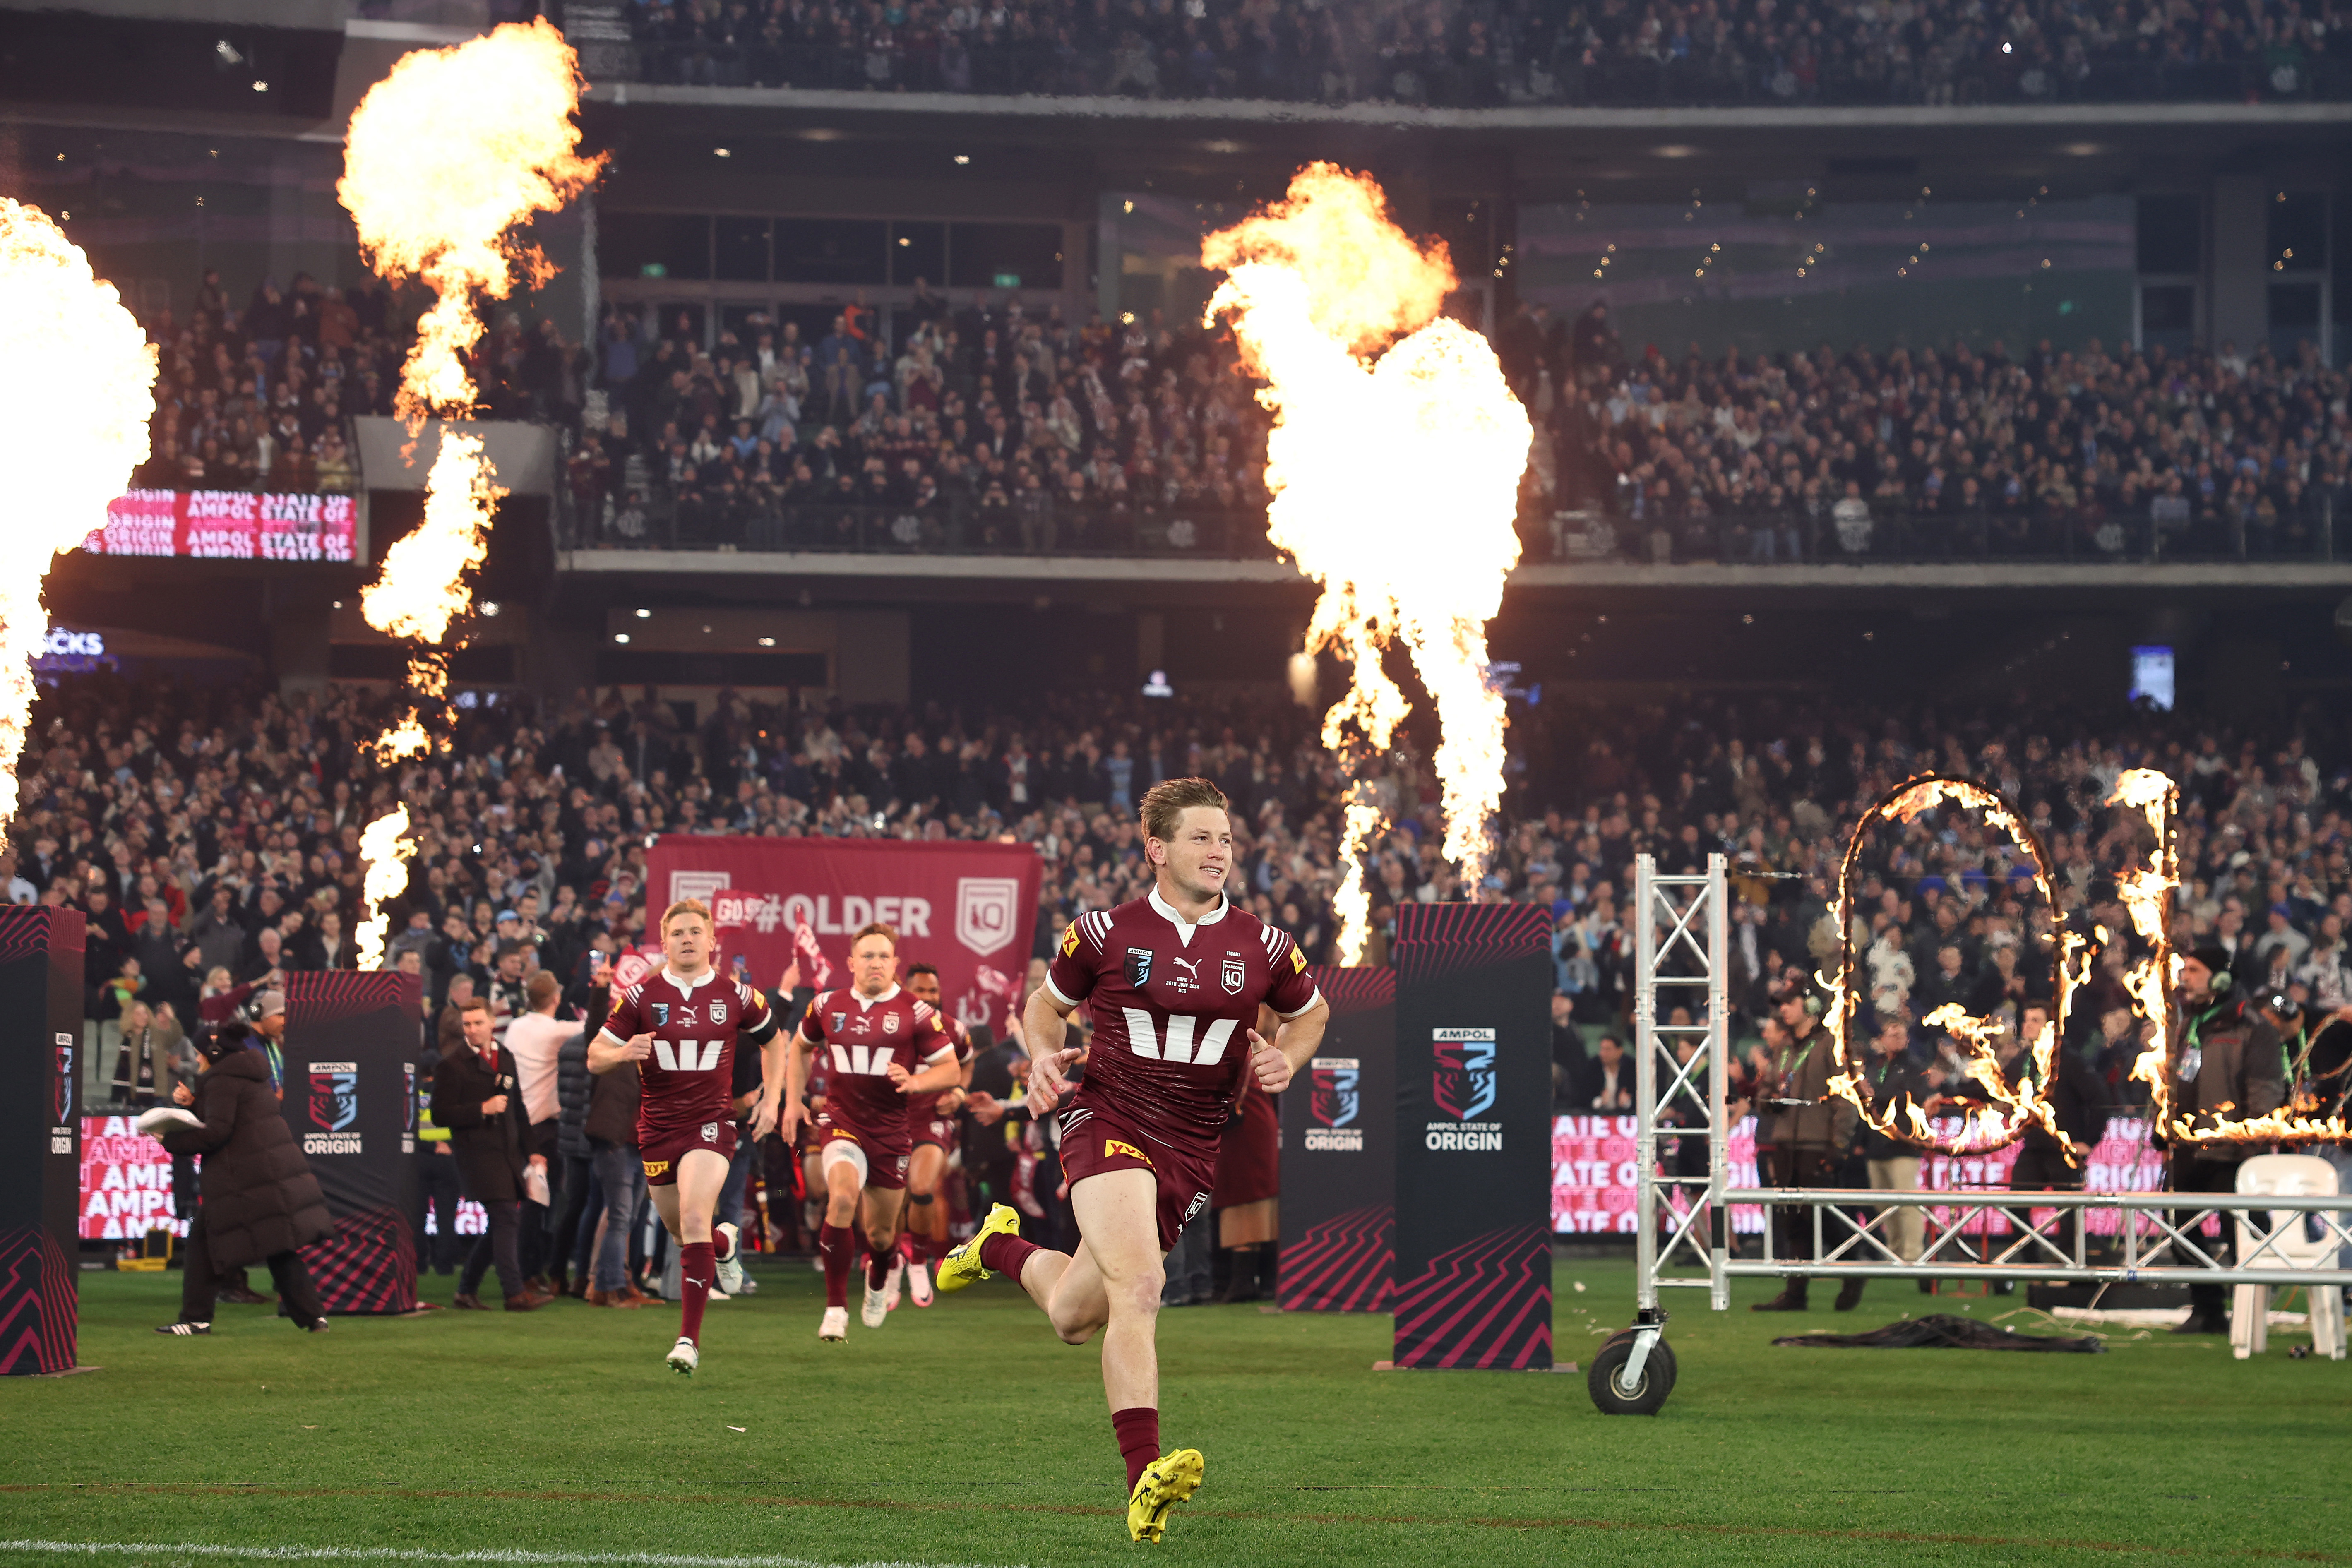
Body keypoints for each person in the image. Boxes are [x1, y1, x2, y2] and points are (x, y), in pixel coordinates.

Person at [934, 776, 1329, 1545]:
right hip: (1107, 1116)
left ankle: (997, 1245)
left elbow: (1311, 1012)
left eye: (1225, 838)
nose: (1219, 850)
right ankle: (1142, 1474)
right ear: (1157, 849)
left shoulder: (1265, 943)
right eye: (1201, 837)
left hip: (1193, 1142)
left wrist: (1290, 1058)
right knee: (1141, 1288)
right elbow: (1042, 1007)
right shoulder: (1103, 932)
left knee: (1076, 1313)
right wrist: (1044, 1059)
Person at [595, 899, 783, 1375]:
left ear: (711, 940)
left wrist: (773, 1098)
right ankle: (724, 1244)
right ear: (665, 943)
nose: (686, 939)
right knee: (685, 1236)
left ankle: (688, 1341)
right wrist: (624, 1053)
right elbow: (596, 1054)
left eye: (695, 931)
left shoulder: (737, 995)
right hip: (657, 1128)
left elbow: (774, 1040)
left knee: (695, 1218)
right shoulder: (640, 998)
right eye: (677, 932)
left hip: (712, 1124)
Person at [775, 924, 963, 1338]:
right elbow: (800, 1048)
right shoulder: (826, 1005)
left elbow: (950, 1069)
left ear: (894, 964)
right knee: (841, 1199)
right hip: (842, 1124)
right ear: (851, 963)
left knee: (880, 1237)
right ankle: (836, 1309)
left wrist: (916, 1083)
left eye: (883, 956)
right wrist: (792, 1102)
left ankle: (878, 1282)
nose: (875, 963)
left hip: (892, 1134)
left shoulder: (916, 1011)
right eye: (867, 956)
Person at [153, 1022, 334, 1335]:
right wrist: (194, 1104)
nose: (196, 1059)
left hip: (239, 1179)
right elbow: (232, 1119)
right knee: (279, 1246)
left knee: (203, 1241)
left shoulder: (221, 1080)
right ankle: (314, 1317)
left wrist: (168, 1139)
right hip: (266, 1175)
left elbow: (217, 1133)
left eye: (198, 1053)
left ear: (213, 1052)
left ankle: (196, 1318)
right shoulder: (248, 1075)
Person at [2165, 945, 2286, 1335]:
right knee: (2182, 1229)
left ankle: (2250, 1312)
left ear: (2219, 977)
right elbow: (2178, 1079)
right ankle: (2208, 1309)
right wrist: (2164, 1124)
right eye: (2185, 970)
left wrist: (2253, 1137)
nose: (2185, 977)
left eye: (2195, 970)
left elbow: (2265, 1088)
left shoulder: (2252, 1025)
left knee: (2243, 1233)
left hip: (2234, 1150)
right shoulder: (2189, 1024)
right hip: (2189, 1147)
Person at [435, 995, 550, 1312]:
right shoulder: (451, 1065)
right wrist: (480, 1109)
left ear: (491, 1023)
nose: (472, 1029)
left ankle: (466, 1290)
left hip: (508, 1152)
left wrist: (534, 1151)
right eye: (467, 1024)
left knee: (500, 1223)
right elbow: (440, 1114)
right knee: (505, 1217)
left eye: (478, 1023)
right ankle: (514, 1293)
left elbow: (518, 1109)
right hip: (477, 1155)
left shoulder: (506, 1057)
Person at [1751, 989, 1858, 1312]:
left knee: (1824, 1218)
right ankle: (1795, 1293)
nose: (1783, 1009)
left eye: (1789, 1002)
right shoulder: (1784, 1046)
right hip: (1786, 1142)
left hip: (1816, 1142)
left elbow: (1845, 1098)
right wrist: (1768, 1098)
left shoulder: (1830, 1044)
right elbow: (1767, 1088)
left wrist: (1838, 1142)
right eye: (1781, 1003)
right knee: (1792, 1221)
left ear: (1809, 1007)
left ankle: (1855, 1269)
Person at [899, 960, 975, 1306]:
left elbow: (967, 1062)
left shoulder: (952, 1028)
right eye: (920, 989)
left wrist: (958, 1093)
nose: (928, 996)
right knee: (884, 1195)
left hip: (930, 1116)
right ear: (905, 989)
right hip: (888, 1119)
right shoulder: (887, 1024)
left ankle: (918, 1259)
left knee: (922, 1187)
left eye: (933, 990)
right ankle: (882, 1257)